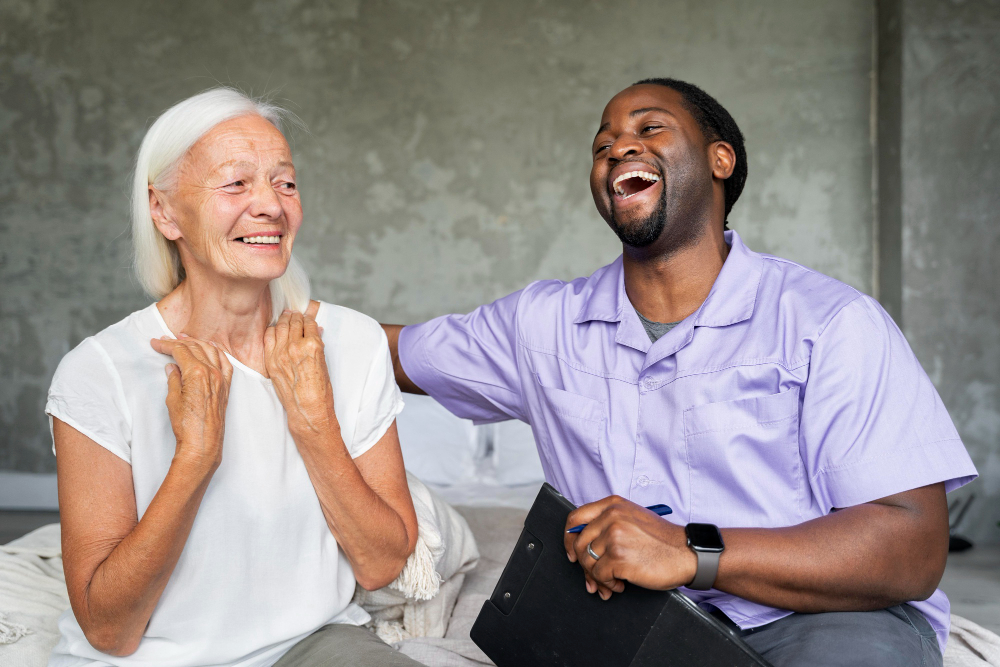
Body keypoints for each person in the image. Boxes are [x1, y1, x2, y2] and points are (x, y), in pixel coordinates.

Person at [381, 78, 978, 666]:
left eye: (650, 128)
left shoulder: (830, 322)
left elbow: (911, 547)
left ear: (721, 160)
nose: (619, 146)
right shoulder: (539, 325)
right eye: (602, 144)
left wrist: (690, 551)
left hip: (820, 618)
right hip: (630, 624)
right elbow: (382, 352)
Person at [46, 88, 424, 667]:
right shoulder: (98, 373)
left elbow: (382, 564)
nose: (270, 205)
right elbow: (108, 630)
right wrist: (196, 457)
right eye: (235, 183)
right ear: (164, 211)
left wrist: (315, 424)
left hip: (312, 643)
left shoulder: (352, 342)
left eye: (285, 182)